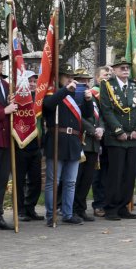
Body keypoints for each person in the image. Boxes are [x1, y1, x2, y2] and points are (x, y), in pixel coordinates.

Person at [99, 58, 136, 221]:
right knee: (116, 173)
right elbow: (106, 110)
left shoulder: (135, 85)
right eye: (122, 68)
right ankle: (111, 208)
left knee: (129, 174)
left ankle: (124, 206)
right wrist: (118, 130)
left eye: (127, 68)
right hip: (116, 137)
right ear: (114, 70)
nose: (126, 70)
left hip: (134, 137)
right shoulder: (107, 86)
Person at [41, 65, 85, 226]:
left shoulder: (74, 94)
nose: (69, 79)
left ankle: (67, 213)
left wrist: (86, 100)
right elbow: (48, 105)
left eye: (70, 76)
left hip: (73, 141)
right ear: (58, 78)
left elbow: (85, 115)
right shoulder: (53, 93)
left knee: (70, 181)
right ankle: (51, 214)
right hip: (57, 140)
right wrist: (65, 90)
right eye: (65, 76)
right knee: (54, 181)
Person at [73, 68, 104, 222]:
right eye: (80, 80)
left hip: (93, 144)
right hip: (81, 141)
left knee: (87, 179)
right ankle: (73, 209)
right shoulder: (74, 96)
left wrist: (101, 128)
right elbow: (78, 117)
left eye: (86, 80)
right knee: (77, 178)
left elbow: (100, 116)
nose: (84, 83)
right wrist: (93, 130)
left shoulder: (92, 97)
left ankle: (82, 209)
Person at [12, 72, 42, 221]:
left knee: (36, 181)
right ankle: (20, 210)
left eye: (34, 81)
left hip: (35, 144)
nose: (32, 83)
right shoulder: (16, 98)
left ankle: (30, 208)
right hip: (19, 145)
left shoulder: (38, 99)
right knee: (19, 180)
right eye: (29, 81)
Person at [0, 66, 19, 230]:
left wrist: (12, 103)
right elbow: (4, 111)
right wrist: (4, 110)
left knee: (2, 179)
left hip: (5, 139)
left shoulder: (5, 85)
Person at [90, 65, 113, 217]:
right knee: (98, 172)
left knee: (109, 171)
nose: (109, 77)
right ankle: (98, 204)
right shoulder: (93, 93)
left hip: (113, 136)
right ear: (98, 78)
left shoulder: (113, 92)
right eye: (105, 75)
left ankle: (109, 201)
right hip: (99, 136)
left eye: (110, 75)